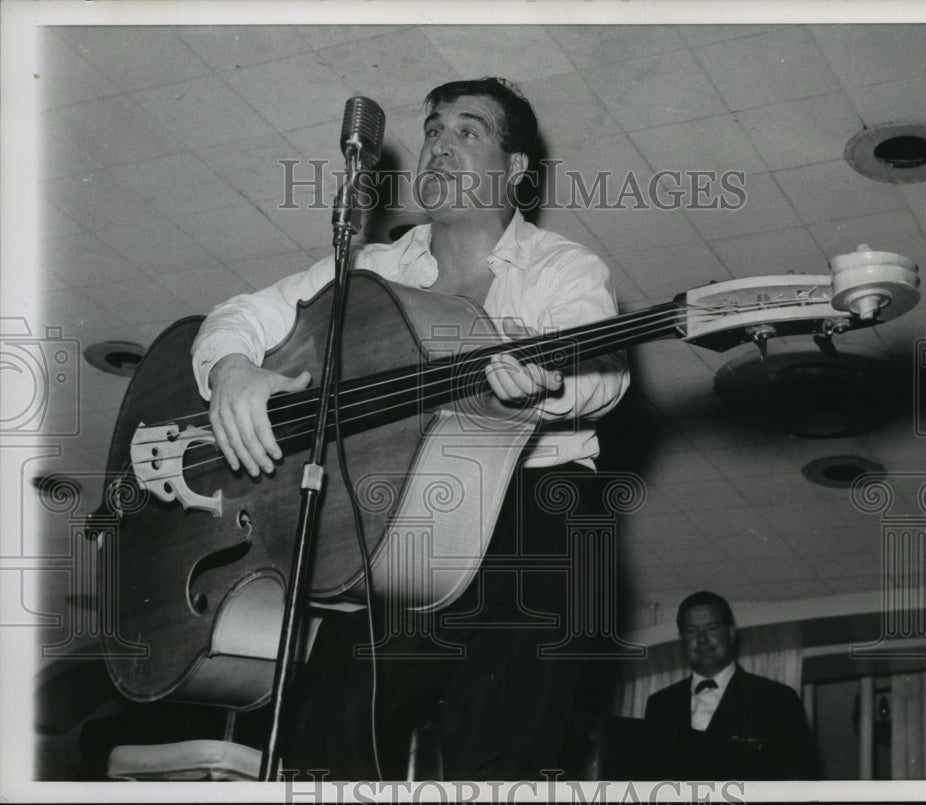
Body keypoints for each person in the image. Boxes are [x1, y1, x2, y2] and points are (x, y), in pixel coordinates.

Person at [190, 77, 629, 780]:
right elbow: (238, 316)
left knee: (545, 599)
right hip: (407, 526)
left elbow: (602, 367)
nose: (439, 145)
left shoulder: (564, 268)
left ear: (514, 171)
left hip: (529, 504)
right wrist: (233, 372)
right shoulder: (371, 268)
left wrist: (545, 387)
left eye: (468, 130)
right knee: (333, 713)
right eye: (432, 130)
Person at [644, 591, 819, 780]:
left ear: (731, 633)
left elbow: (802, 781)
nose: (702, 639)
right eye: (691, 631)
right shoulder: (660, 704)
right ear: (682, 639)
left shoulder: (777, 699)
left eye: (712, 628)